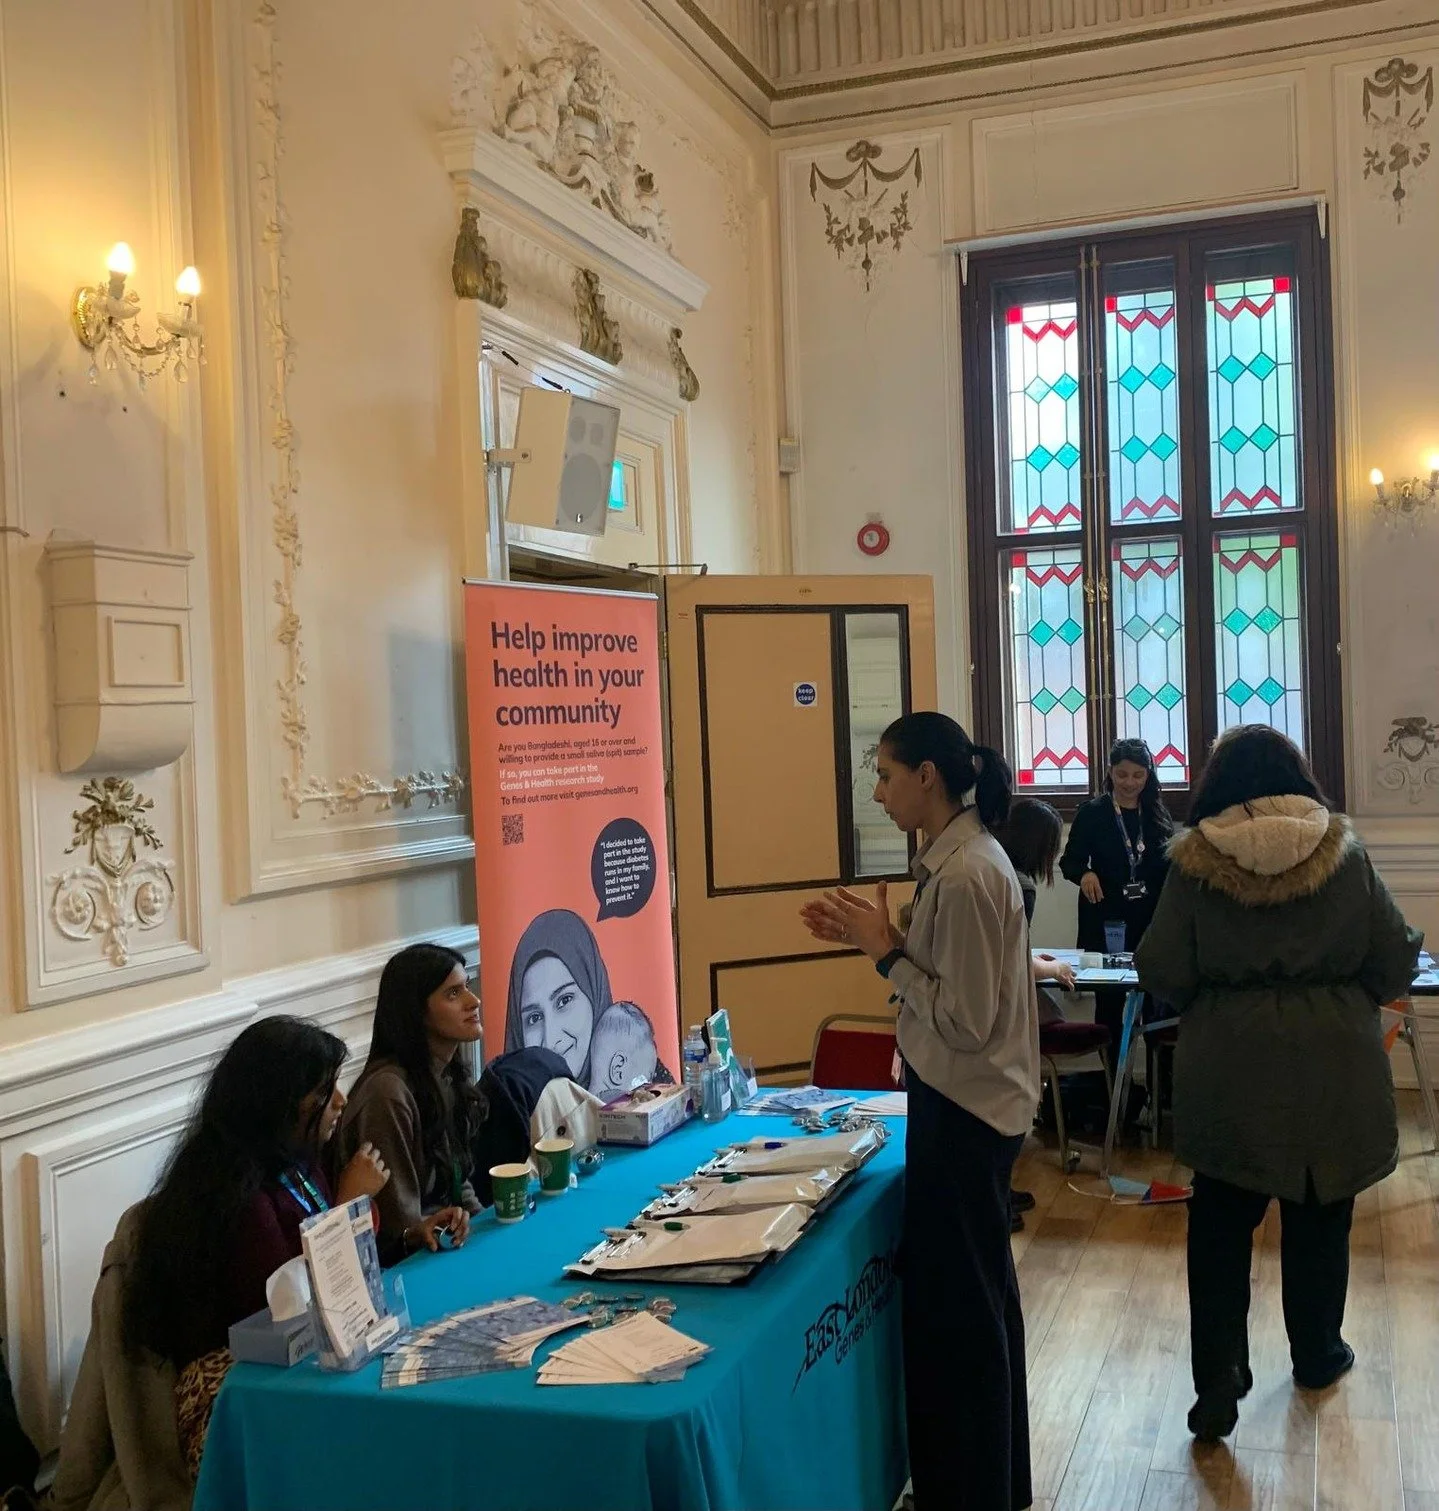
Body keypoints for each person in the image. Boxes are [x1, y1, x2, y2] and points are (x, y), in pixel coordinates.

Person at [1135, 726, 1422, 1443]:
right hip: (1335, 1066)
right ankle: (1317, 1354)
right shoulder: (1345, 854)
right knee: (1321, 1215)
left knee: (1219, 1229)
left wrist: (1218, 997)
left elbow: (1162, 966)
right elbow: (1394, 959)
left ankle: (1218, 1382)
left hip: (1227, 1066)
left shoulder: (1193, 862)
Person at [800, 712, 1038, 1511]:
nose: (877, 792)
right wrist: (883, 942)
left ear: (927, 776)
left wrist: (885, 954)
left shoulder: (967, 873)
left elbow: (964, 1022)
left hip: (968, 1111)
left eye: (884, 774)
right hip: (965, 1103)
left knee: (959, 1317)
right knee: (976, 1300)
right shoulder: (955, 860)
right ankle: (988, 1483)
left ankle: (969, 1492)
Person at [51, 1017, 390, 1508]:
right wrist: (347, 1206)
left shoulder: (297, 1165)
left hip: (287, 1372)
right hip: (230, 1394)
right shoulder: (238, 1199)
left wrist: (362, 1213)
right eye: (323, 1091)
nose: (340, 1101)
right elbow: (286, 1313)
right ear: (278, 1101)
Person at [336, 943, 484, 1263]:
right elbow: (400, 1225)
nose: (474, 1001)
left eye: (467, 986)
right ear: (416, 1012)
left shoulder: (445, 1075)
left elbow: (455, 1179)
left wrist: (480, 1224)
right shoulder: (387, 1093)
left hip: (444, 1243)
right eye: (453, 993)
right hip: (407, 1260)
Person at [1059, 737, 1174, 1067]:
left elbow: (1166, 868)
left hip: (1148, 920)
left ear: (1148, 775)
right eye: (1122, 774)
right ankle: (1113, 1087)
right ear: (1110, 772)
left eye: (1138, 775)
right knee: (1109, 1009)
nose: (1130, 783)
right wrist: (1084, 874)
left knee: (1154, 1008)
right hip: (1107, 920)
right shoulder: (1093, 813)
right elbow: (1069, 861)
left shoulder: (1157, 813)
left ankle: (1155, 1086)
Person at [996, 796, 1076, 1229]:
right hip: (1002, 1011)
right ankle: (999, 1199)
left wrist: (1033, 957)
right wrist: (1053, 968)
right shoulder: (1021, 885)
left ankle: (999, 1193)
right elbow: (1013, 962)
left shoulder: (991, 868)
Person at [505, 910, 673, 1096]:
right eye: (534, 1018)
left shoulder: (640, 1074)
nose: (551, 1039)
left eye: (564, 1000)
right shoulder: (514, 1103)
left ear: (593, 993)